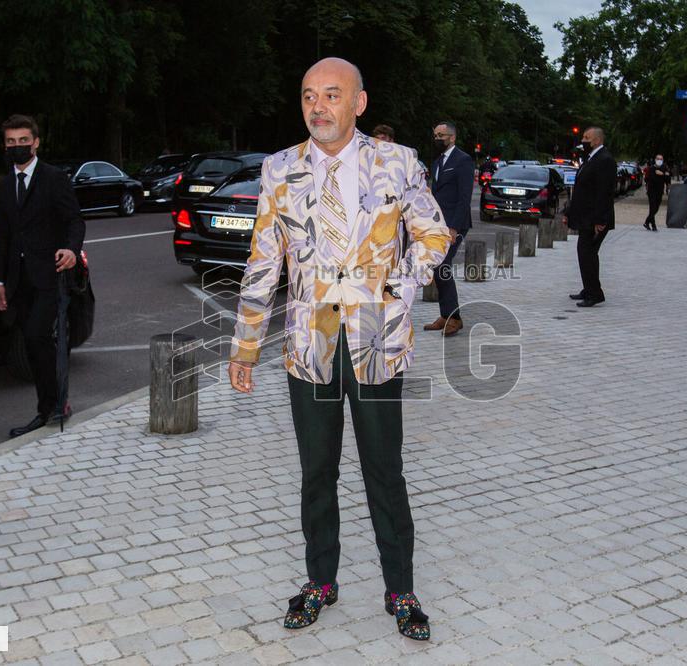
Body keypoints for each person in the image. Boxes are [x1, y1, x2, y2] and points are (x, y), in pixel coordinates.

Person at [228, 58, 449, 641]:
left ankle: (400, 590)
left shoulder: (397, 163)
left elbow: (434, 232)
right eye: (308, 96)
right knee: (316, 471)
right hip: (309, 344)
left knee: (385, 469)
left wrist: (399, 285)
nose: (318, 106)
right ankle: (320, 581)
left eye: (331, 95)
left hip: (376, 337)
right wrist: (245, 344)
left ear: (360, 102)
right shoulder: (279, 169)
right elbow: (262, 261)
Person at [0, 114, 85, 437]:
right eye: (11, 142)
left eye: (23, 141)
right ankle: (54, 403)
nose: (17, 147)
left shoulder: (54, 178)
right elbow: (2, 236)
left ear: (36, 142)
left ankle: (51, 406)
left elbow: (75, 220)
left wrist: (72, 249)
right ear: (4, 146)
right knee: (34, 345)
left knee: (36, 336)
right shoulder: (5, 186)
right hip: (19, 280)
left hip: (50, 275)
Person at [424, 121, 474, 336]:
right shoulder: (436, 162)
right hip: (438, 223)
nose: (437, 139)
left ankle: (454, 318)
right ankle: (446, 315)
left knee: (442, 264)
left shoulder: (463, 160)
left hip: (455, 223)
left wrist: (454, 228)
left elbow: (464, 197)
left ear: (452, 137)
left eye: (441, 135)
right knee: (438, 266)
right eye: (435, 134)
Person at [563, 126, 616, 307]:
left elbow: (604, 193)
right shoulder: (590, 158)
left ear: (597, 140)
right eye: (583, 137)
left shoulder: (605, 160)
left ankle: (595, 294)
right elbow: (581, 190)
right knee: (585, 253)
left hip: (595, 220)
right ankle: (589, 288)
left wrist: (601, 220)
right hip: (586, 218)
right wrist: (568, 213)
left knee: (588, 254)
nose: (583, 141)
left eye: (587, 137)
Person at [644, 154, 670, 231]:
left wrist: (662, 174)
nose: (659, 160)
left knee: (656, 208)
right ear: (655, 159)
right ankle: (653, 225)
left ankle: (647, 222)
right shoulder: (652, 168)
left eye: (661, 159)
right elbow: (653, 179)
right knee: (652, 208)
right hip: (652, 191)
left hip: (660, 191)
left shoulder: (664, 168)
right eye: (658, 159)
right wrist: (663, 175)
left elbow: (668, 178)